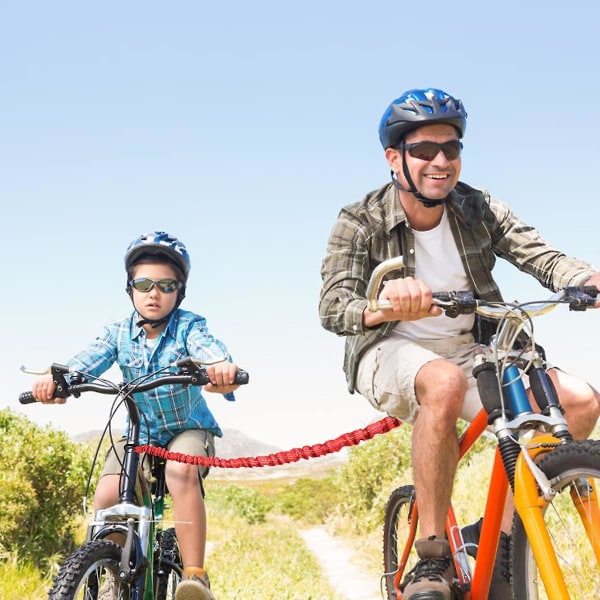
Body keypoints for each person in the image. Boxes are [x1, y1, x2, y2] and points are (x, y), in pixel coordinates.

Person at [319, 88, 600, 600]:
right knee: (442, 384)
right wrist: (383, 305)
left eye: (451, 148)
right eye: (424, 150)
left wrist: (583, 277)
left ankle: (508, 545)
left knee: (579, 402)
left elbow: (540, 254)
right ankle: (431, 557)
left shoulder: (478, 207)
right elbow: (333, 307)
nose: (440, 161)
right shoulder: (359, 219)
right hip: (387, 347)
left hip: (475, 348)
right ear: (394, 158)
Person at [32, 231, 242, 600]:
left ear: (180, 291)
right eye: (144, 284)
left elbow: (208, 350)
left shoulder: (189, 326)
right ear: (130, 289)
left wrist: (220, 369)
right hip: (140, 433)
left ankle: (195, 577)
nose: (154, 293)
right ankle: (112, 569)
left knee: (181, 470)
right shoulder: (117, 333)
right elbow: (89, 359)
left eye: (166, 284)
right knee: (108, 492)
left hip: (188, 429)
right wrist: (59, 381)